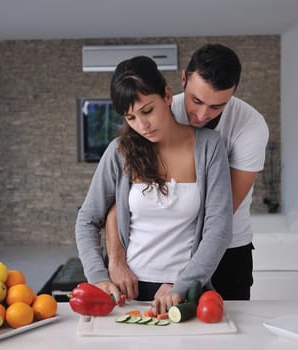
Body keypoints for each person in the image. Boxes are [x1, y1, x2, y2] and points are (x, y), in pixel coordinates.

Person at [105, 44, 269, 300]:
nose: (202, 115)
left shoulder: (251, 126)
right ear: (182, 80)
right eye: (196, 100)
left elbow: (216, 216)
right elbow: (121, 199)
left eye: (217, 106)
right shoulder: (159, 109)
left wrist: (179, 279)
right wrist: (116, 260)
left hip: (228, 249)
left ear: (233, 93)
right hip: (167, 258)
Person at [75, 56, 233, 314]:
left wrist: (181, 286)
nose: (142, 126)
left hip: (186, 291)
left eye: (147, 111)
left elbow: (219, 228)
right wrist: (99, 277)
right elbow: (87, 219)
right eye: (131, 117)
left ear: (168, 95)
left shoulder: (209, 146)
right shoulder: (120, 151)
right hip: (128, 291)